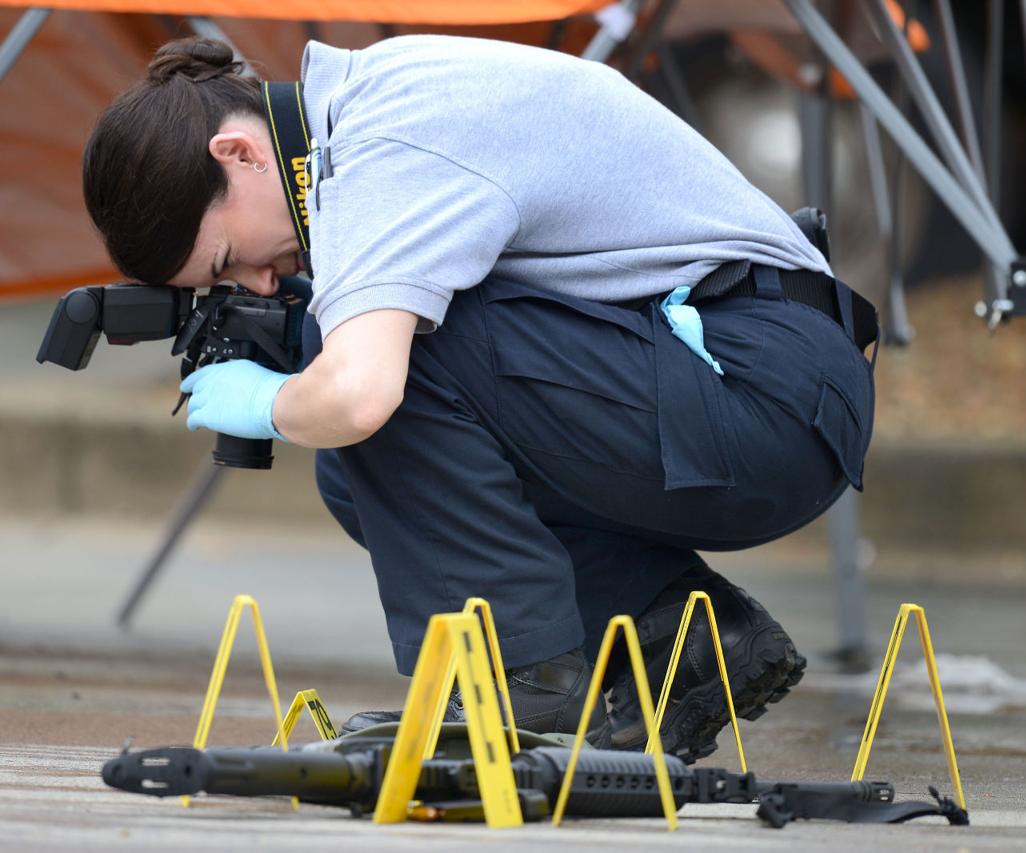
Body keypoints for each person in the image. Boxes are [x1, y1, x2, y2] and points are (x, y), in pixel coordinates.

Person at [82, 35, 876, 761]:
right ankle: (684, 636)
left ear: (239, 153)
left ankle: (530, 682)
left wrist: (269, 403)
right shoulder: (362, 114)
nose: (256, 281)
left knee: (371, 368)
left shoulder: (381, 142)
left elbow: (361, 392)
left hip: (760, 382)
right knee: (366, 477)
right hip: (756, 386)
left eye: (225, 259)